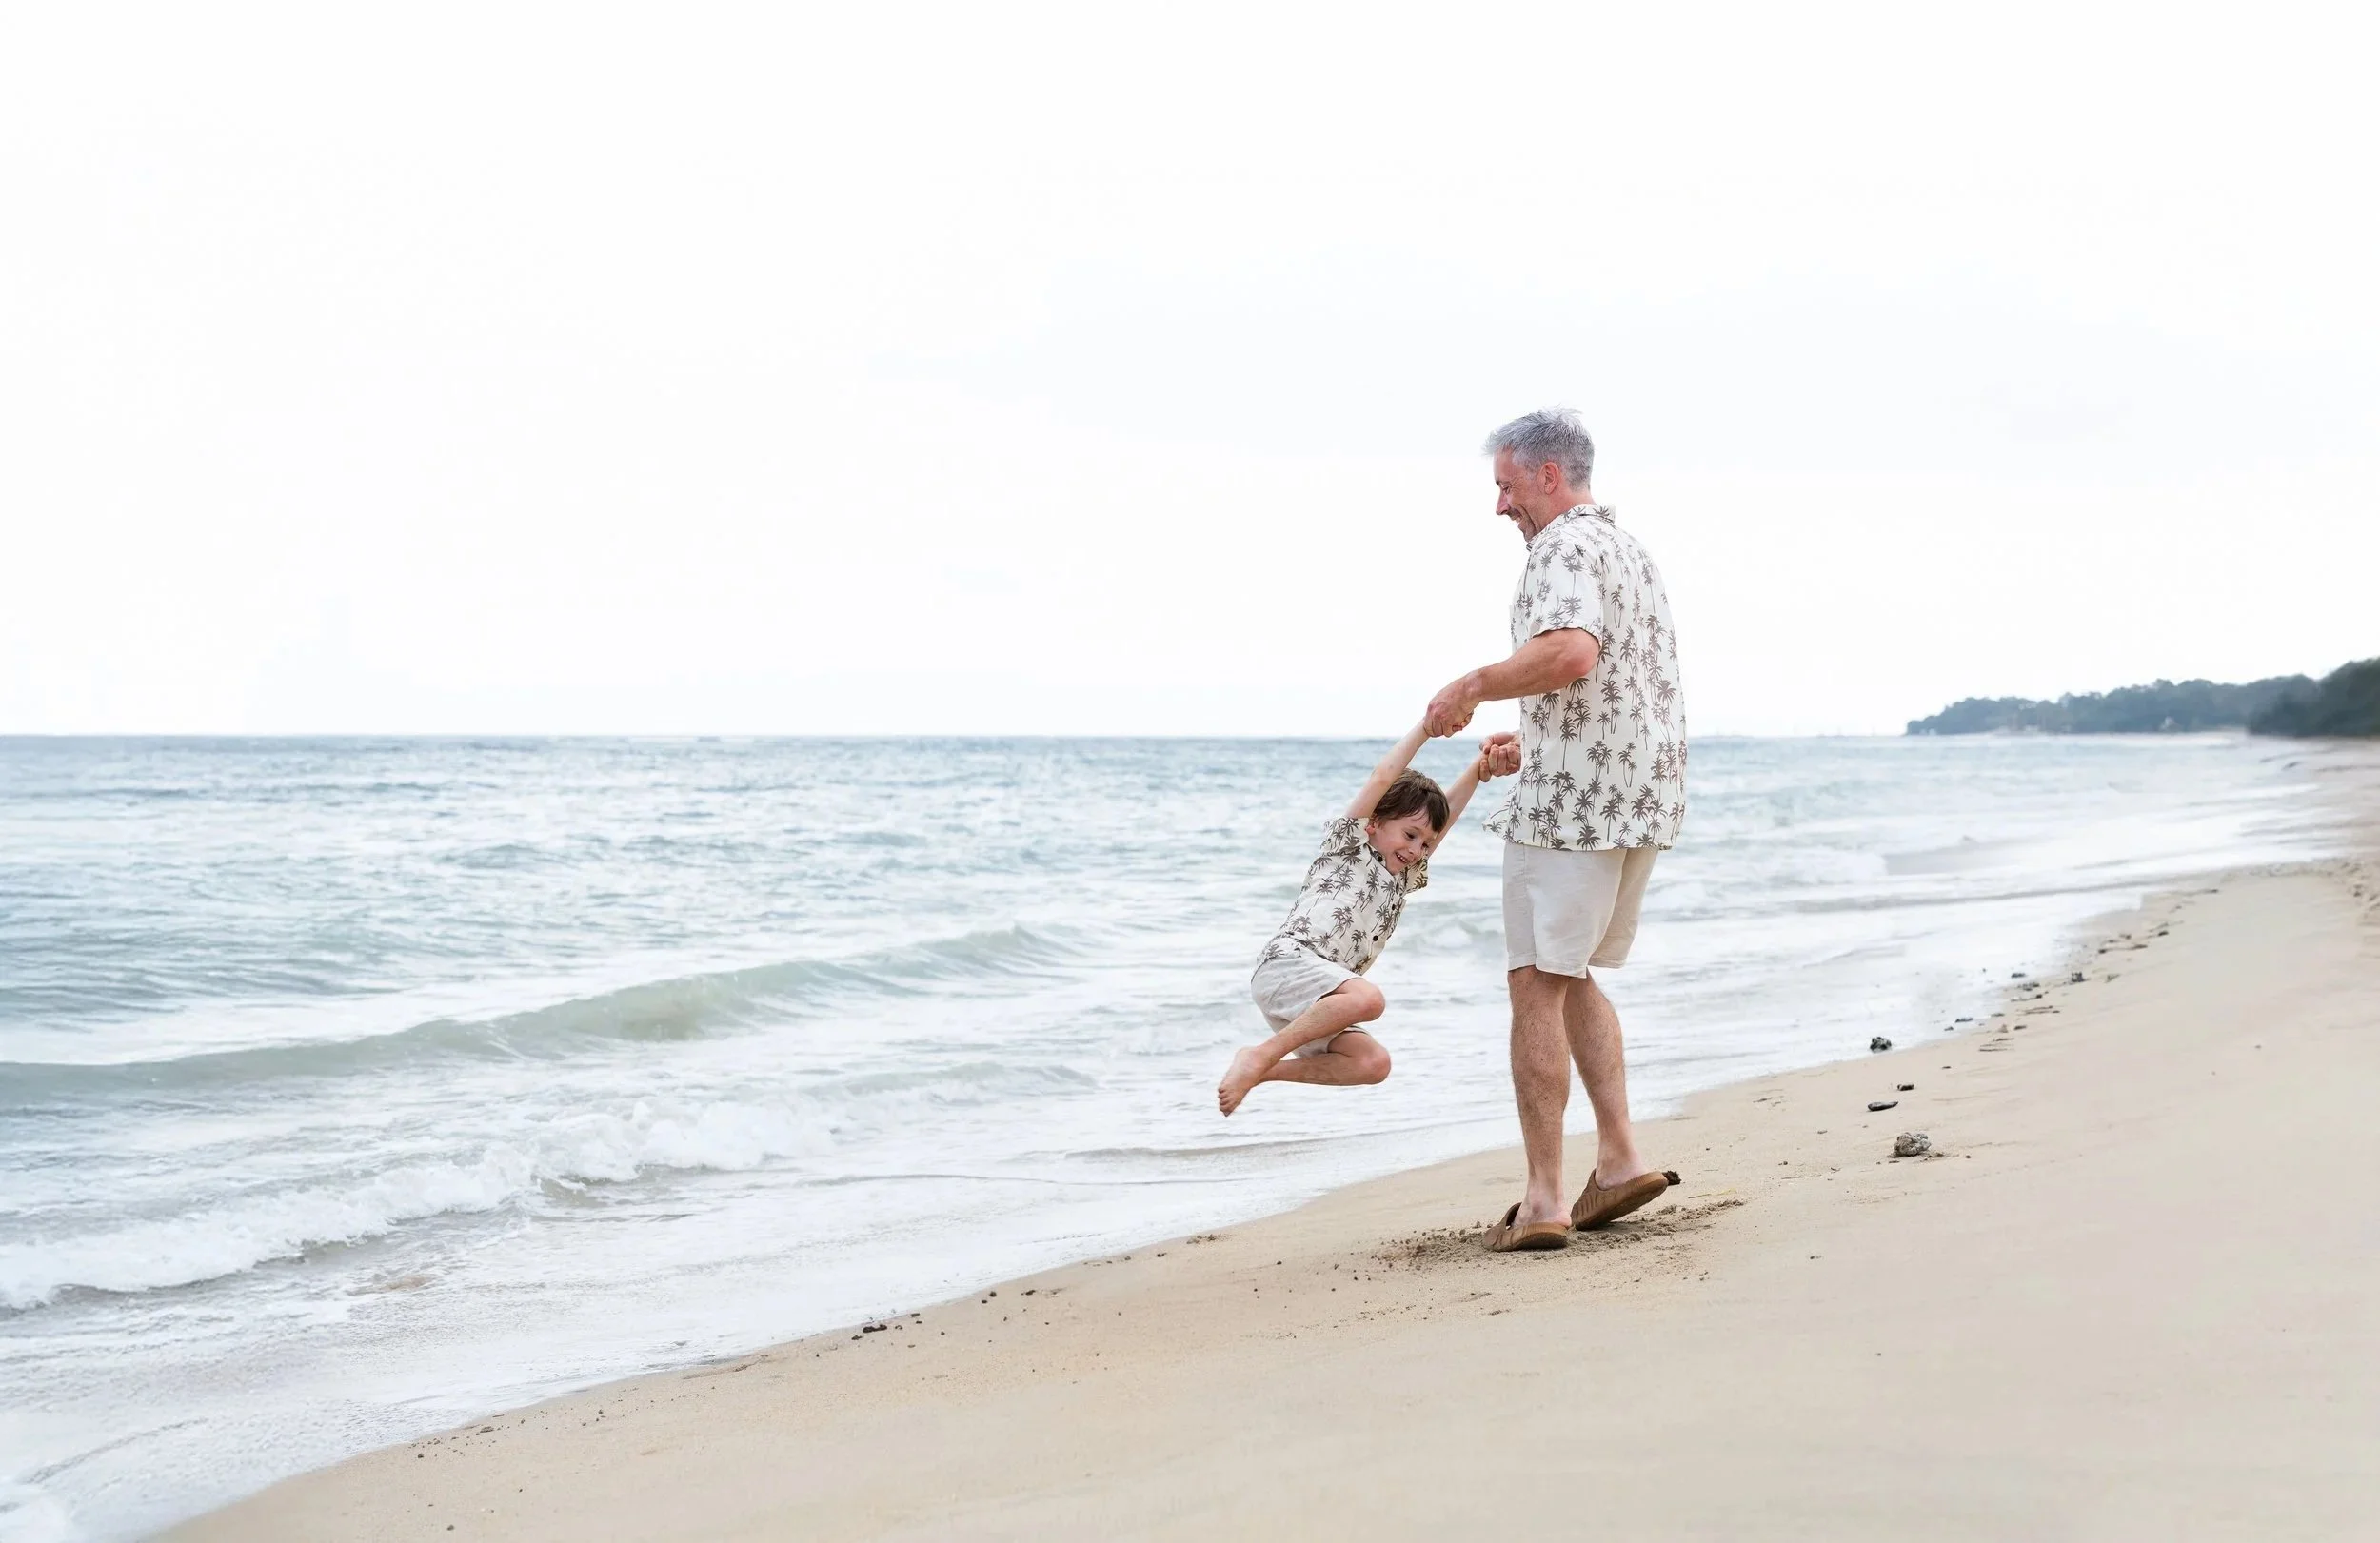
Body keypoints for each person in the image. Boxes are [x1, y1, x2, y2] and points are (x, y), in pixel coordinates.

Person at [1424, 408, 1688, 1252]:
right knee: (1569, 976)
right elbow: (1608, 684)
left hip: (1575, 806)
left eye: (1506, 486)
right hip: (1638, 796)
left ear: (1547, 475)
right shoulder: (1629, 550)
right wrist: (1534, 736)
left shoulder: (1563, 548)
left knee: (1536, 982)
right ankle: (1618, 1160)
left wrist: (1476, 683)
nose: (1501, 507)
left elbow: (1572, 653)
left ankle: (1543, 1198)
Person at [1217, 722, 1518, 1116]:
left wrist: (1479, 771)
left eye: (1425, 844)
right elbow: (1383, 776)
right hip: (1288, 966)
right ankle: (1260, 1054)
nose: (1417, 849)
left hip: (1321, 999)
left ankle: (1261, 1069)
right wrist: (1426, 731)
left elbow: (1445, 820)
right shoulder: (1348, 846)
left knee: (1372, 1064)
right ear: (1374, 823)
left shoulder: (1401, 878)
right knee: (1368, 998)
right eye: (1409, 835)